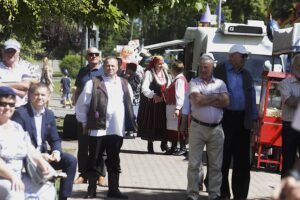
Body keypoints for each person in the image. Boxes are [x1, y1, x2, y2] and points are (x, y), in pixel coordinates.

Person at [75, 56, 136, 199]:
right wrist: (84, 122)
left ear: (118, 67)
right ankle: (91, 190)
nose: (110, 68)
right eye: (108, 65)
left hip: (116, 129)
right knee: (94, 158)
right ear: (104, 66)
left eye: (113, 66)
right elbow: (81, 105)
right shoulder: (93, 83)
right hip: (97, 128)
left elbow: (129, 103)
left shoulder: (124, 83)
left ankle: (114, 189)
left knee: (114, 159)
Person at [12, 83, 77, 200]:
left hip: (45, 157)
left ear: (48, 97)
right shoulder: (20, 113)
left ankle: (64, 197)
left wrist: (56, 152)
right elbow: (17, 143)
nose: (40, 97)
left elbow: (55, 138)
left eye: (43, 95)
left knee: (70, 160)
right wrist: (39, 156)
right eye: (36, 94)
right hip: (26, 159)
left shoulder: (49, 114)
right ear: (29, 95)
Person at [214, 44, 258, 200]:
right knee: (222, 158)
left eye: (245, 56)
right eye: (243, 56)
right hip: (224, 119)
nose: (245, 59)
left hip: (242, 121)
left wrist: (254, 121)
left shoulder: (247, 74)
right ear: (232, 56)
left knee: (242, 161)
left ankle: (240, 195)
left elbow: (252, 98)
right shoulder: (219, 71)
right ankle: (222, 192)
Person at [0, 86, 56, 200]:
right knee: (15, 192)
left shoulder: (17, 127)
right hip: (3, 178)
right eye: (2, 104)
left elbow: (30, 150)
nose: (7, 107)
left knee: (48, 189)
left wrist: (43, 164)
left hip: (18, 176)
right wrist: (12, 177)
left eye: (11, 104)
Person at [186, 55, 229, 200]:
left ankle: (214, 195)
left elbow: (226, 102)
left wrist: (207, 98)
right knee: (194, 163)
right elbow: (197, 100)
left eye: (206, 67)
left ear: (212, 68)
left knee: (216, 165)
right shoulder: (194, 82)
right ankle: (192, 194)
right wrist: (216, 97)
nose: (203, 70)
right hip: (198, 127)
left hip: (216, 129)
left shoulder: (221, 83)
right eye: (201, 67)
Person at [73, 47, 106, 186]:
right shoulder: (82, 71)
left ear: (100, 57)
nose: (93, 56)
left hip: (99, 114)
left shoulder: (104, 71)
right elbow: (78, 90)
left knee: (100, 145)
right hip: (84, 113)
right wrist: (75, 106)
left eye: (96, 54)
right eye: (90, 54)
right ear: (87, 57)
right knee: (83, 145)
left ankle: (100, 174)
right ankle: (83, 174)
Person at [137, 55, 171, 153]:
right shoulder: (149, 73)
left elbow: (168, 84)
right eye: (159, 64)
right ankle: (150, 144)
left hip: (163, 102)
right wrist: (153, 95)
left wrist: (166, 94)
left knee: (164, 123)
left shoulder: (165, 72)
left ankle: (164, 144)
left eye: (162, 63)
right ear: (155, 63)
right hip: (153, 103)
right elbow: (144, 88)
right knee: (152, 123)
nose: (161, 65)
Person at [279, 54, 300, 178]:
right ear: (292, 68)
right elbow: (290, 102)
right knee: (288, 161)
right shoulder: (285, 83)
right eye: (299, 65)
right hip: (290, 125)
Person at [0, 39, 38, 107]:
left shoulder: (25, 67)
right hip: (1, 109)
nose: (10, 54)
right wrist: (19, 92)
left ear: (18, 52)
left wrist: (2, 85)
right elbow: (23, 90)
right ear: (3, 52)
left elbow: (25, 85)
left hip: (20, 108)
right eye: (7, 51)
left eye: (13, 51)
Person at [165, 60, 188, 155]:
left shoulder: (179, 81)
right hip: (174, 107)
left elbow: (180, 95)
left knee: (177, 128)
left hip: (175, 107)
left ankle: (182, 148)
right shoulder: (180, 79)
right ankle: (174, 147)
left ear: (174, 69)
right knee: (174, 128)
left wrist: (178, 108)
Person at [124, 62, 141, 138]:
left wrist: (126, 79)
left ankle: (132, 131)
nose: (126, 70)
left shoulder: (134, 77)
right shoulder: (134, 76)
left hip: (133, 100)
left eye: (127, 69)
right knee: (132, 115)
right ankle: (130, 131)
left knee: (132, 115)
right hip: (134, 99)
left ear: (130, 69)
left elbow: (132, 87)